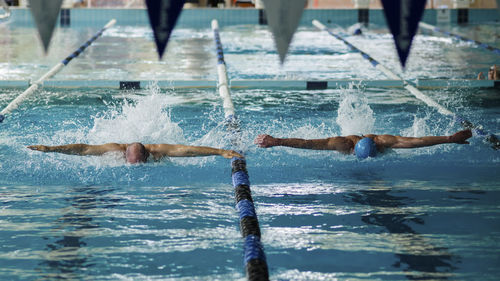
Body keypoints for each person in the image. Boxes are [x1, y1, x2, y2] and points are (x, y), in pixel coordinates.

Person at [254, 129, 472, 159]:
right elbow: (308, 143)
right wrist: (277, 141)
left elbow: (416, 141)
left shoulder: (382, 142)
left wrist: (449, 139)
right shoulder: (341, 144)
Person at [28, 142, 243, 164]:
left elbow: (187, 150)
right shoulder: (114, 150)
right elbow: (83, 149)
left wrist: (220, 152)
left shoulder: (157, 151)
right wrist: (51, 149)